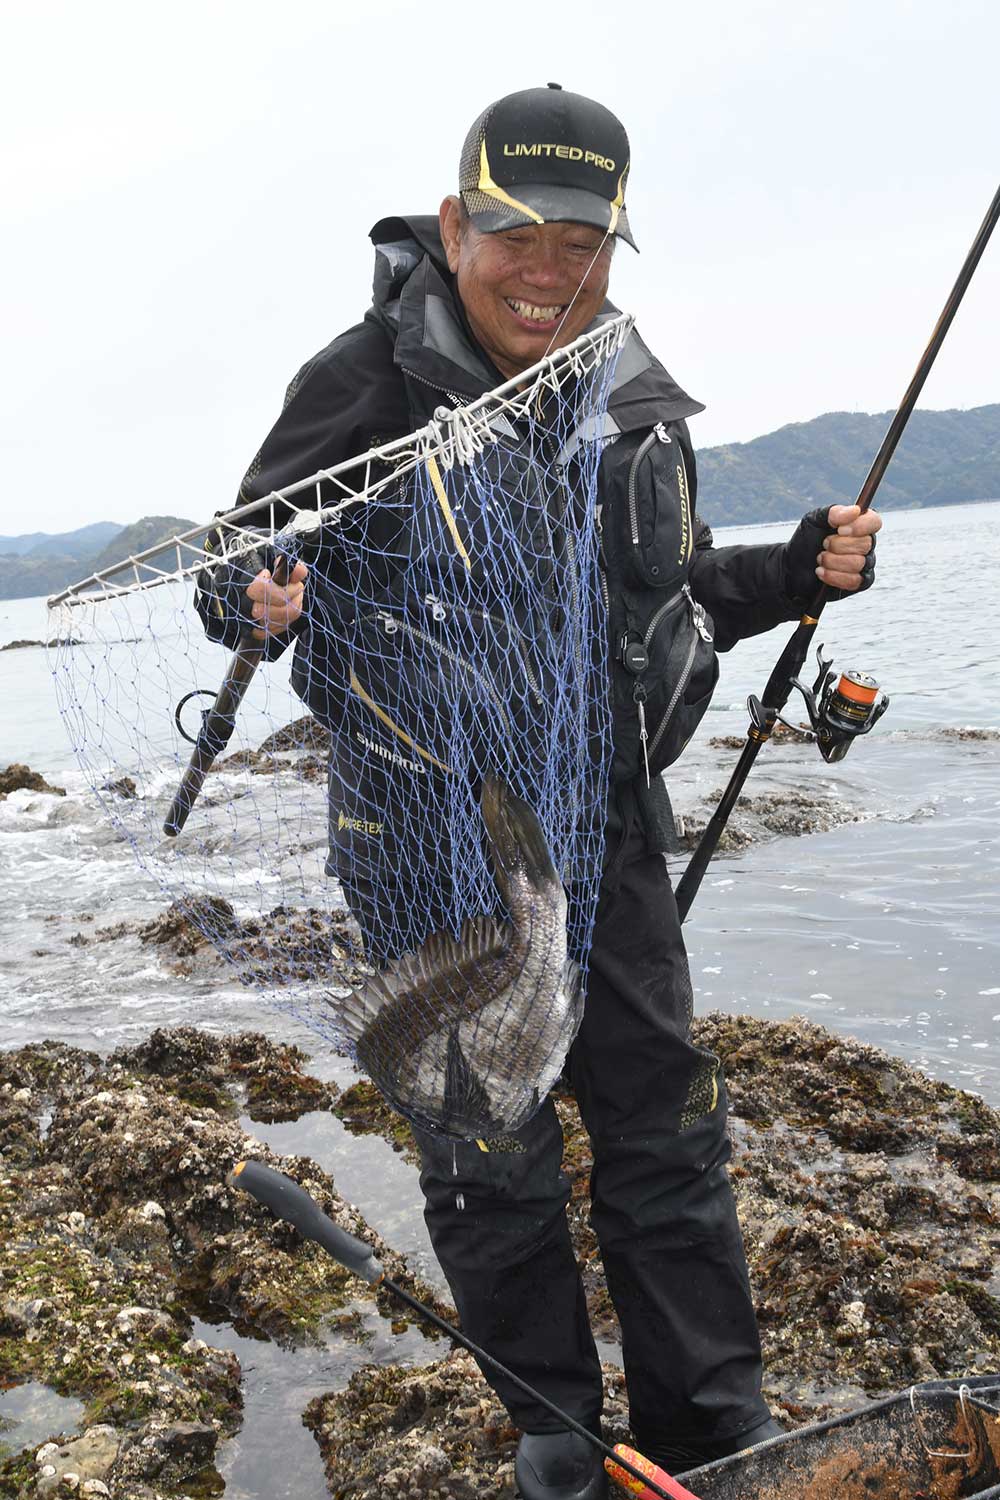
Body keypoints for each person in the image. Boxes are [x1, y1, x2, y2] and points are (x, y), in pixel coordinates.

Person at [197, 86, 880, 1497]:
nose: (551, 270)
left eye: (585, 240)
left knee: (663, 1125)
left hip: (600, 814)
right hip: (423, 837)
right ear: (457, 227)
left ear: (616, 251)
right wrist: (251, 598)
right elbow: (242, 556)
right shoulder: (363, 382)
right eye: (520, 235)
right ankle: (562, 1437)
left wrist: (792, 567)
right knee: (485, 1149)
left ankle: (712, 1426)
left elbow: (666, 588)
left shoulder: (622, 391)